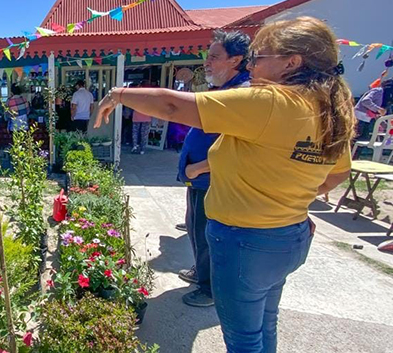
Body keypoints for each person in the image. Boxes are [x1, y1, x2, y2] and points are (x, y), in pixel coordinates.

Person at [94, 17, 354, 352]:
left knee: (244, 340)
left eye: (259, 57)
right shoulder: (329, 107)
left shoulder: (272, 102)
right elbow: (336, 174)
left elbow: (172, 105)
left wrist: (118, 94)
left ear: (292, 62)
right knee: (264, 324)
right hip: (291, 234)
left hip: (246, 241)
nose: (252, 65)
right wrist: (292, 197)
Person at [176, 29, 252, 308]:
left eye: (214, 57)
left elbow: (242, 149)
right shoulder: (225, 89)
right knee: (196, 229)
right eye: (207, 57)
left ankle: (210, 290)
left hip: (212, 179)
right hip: (200, 179)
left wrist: (198, 168)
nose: (207, 63)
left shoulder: (242, 95)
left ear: (236, 60)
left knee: (209, 235)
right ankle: (201, 272)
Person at [131, 84, 153, 155]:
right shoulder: (149, 97)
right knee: (144, 134)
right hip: (147, 117)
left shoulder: (134, 97)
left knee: (135, 132)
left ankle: (135, 146)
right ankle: (142, 149)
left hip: (136, 116)